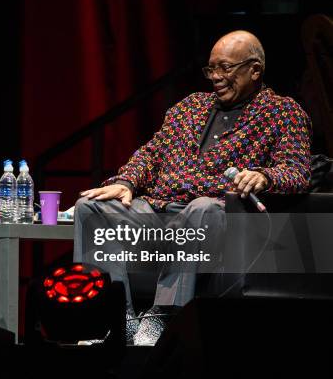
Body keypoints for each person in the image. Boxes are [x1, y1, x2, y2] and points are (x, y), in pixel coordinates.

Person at [74, 30, 311, 345]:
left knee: (201, 208)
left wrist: (264, 176)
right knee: (91, 209)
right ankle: (117, 319)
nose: (215, 77)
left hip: (217, 217)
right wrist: (126, 181)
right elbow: (151, 153)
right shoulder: (190, 106)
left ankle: (162, 315)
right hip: (159, 211)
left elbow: (297, 171)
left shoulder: (282, 112)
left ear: (254, 70)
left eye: (225, 68)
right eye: (211, 69)